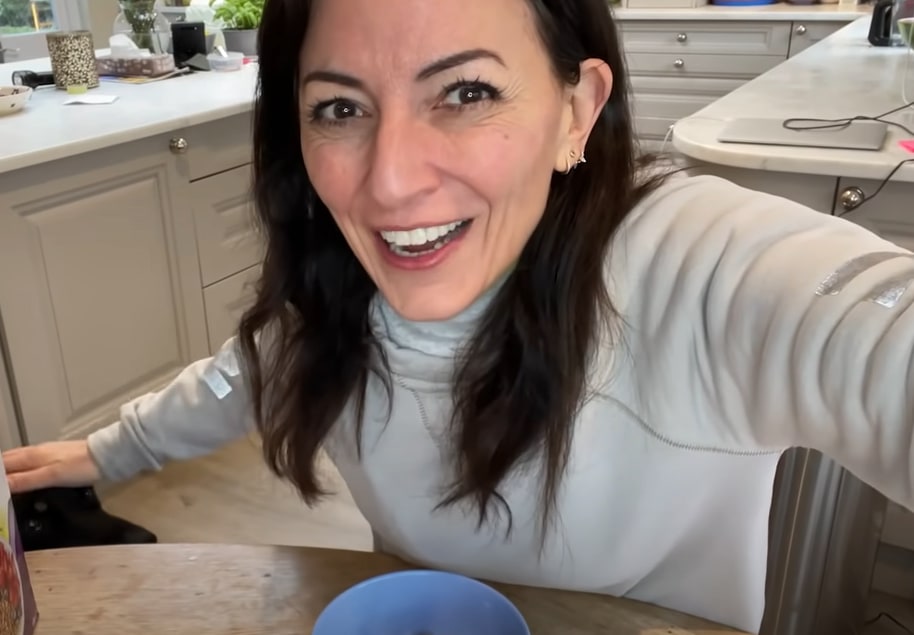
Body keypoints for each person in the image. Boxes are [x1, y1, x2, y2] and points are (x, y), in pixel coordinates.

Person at [3, 0, 914, 632]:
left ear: (576, 108)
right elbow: (249, 373)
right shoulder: (337, 294)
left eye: (467, 91)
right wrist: (105, 451)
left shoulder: (693, 261)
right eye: (339, 107)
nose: (390, 179)